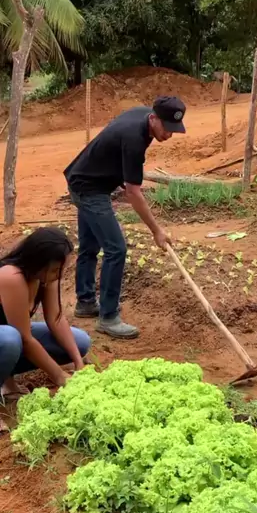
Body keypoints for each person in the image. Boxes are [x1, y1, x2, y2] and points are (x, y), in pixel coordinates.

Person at [64, 95, 187, 339]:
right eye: (167, 128)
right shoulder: (134, 139)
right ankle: (108, 317)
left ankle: (85, 302)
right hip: (89, 188)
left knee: (90, 246)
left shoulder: (143, 116)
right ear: (153, 118)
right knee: (116, 249)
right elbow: (133, 193)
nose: (169, 134)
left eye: (174, 129)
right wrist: (156, 231)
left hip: (83, 178)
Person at [0, 227, 91, 438]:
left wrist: (78, 364)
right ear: (38, 262)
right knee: (8, 339)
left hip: (2, 336)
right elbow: (25, 339)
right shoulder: (12, 277)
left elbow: (55, 318)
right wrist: (60, 376)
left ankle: (8, 384)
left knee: (80, 342)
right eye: (55, 269)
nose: (59, 275)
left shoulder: (44, 277)